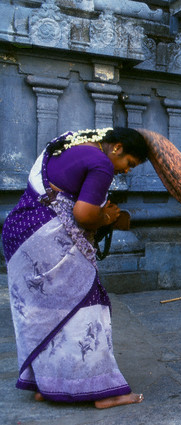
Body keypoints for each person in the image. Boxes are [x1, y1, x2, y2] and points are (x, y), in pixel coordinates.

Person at [2, 127, 148, 409]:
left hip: (19, 234)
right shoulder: (102, 163)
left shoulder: (70, 144)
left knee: (49, 313)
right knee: (89, 306)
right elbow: (84, 215)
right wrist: (106, 216)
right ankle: (106, 392)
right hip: (44, 239)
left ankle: (48, 386)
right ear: (116, 148)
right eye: (129, 163)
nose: (127, 171)